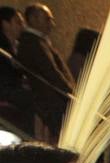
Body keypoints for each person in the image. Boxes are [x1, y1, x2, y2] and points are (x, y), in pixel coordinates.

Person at [15, 4, 72, 140]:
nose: (52, 24)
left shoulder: (38, 41)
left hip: (53, 97)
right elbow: (50, 71)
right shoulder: (32, 42)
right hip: (51, 99)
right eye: (47, 19)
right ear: (33, 19)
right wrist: (71, 92)